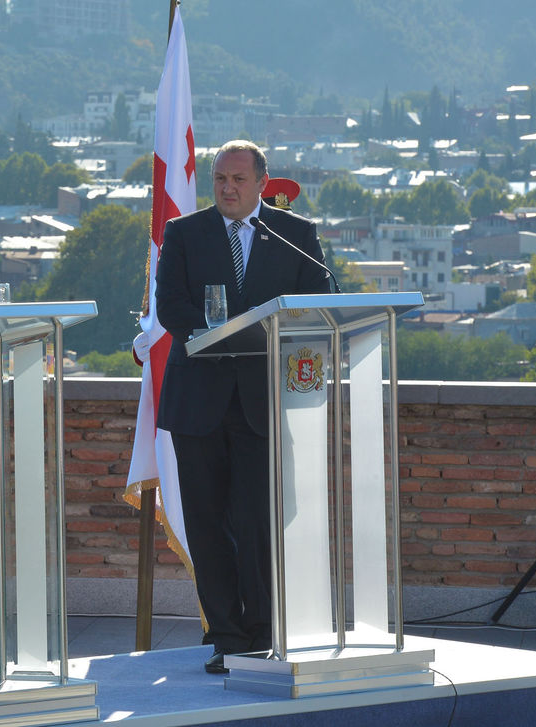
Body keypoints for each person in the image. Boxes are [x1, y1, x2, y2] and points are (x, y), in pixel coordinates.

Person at [154, 141, 331, 674]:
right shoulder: (185, 233)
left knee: (257, 522)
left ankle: (264, 631)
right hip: (199, 401)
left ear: (261, 181)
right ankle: (227, 636)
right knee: (207, 524)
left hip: (263, 402)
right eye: (218, 180)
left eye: (237, 179)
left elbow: (316, 301)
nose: (227, 189)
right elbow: (171, 307)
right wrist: (213, 335)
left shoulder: (294, 235)